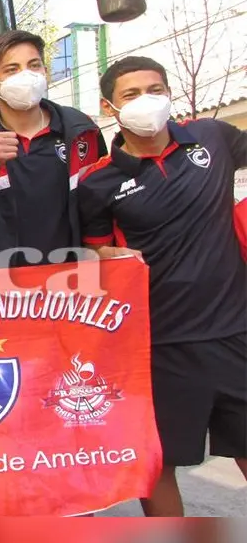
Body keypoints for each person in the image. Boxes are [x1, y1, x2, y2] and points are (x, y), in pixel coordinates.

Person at [78, 56, 247, 517]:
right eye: (131, 95)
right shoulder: (98, 183)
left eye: (155, 90)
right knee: (157, 464)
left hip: (236, 333)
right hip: (159, 345)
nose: (146, 102)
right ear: (109, 106)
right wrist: (100, 255)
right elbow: (94, 254)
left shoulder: (215, 137)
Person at [0, 30, 107, 269]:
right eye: (12, 69)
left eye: (34, 65)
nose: (26, 76)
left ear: (45, 73)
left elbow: (101, 205)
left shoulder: (83, 132)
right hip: (3, 289)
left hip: (73, 286)